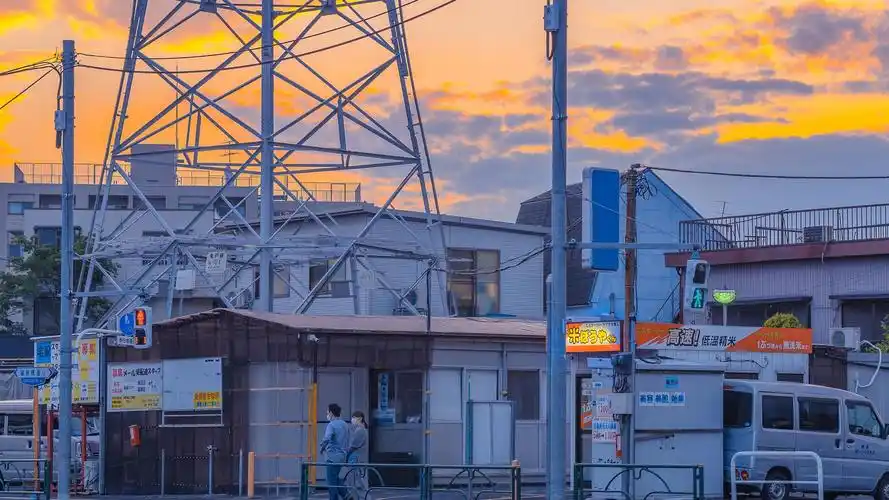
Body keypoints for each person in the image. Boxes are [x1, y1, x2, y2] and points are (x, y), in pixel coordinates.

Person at [320, 403, 349, 500]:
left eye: (327, 412)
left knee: (331, 482)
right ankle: (347, 495)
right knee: (335, 478)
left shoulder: (331, 425)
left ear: (331, 413)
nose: (327, 414)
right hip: (342, 456)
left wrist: (322, 447)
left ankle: (335, 498)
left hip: (332, 457)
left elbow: (327, 438)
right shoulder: (345, 424)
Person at [345, 411, 371, 500]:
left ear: (359, 418)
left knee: (357, 482)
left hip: (356, 459)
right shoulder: (361, 430)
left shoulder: (360, 431)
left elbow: (353, 446)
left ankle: (365, 498)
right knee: (356, 481)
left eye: (354, 418)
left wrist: (346, 456)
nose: (352, 420)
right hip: (357, 459)